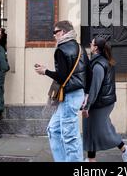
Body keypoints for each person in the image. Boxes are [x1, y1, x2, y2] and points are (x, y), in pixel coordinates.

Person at [34, 20, 90, 162]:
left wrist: (44, 71)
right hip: (77, 94)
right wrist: (86, 94)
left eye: (55, 32)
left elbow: (62, 77)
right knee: (53, 129)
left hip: (70, 96)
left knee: (70, 135)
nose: (54, 35)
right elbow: (89, 73)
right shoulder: (79, 47)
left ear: (63, 32)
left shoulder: (61, 49)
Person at [82, 37, 127, 162]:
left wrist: (87, 106)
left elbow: (95, 88)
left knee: (100, 130)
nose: (90, 44)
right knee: (95, 129)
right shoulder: (102, 61)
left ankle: (125, 148)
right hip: (103, 102)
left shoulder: (99, 65)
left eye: (92, 43)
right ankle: (93, 159)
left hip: (99, 104)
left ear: (95, 48)